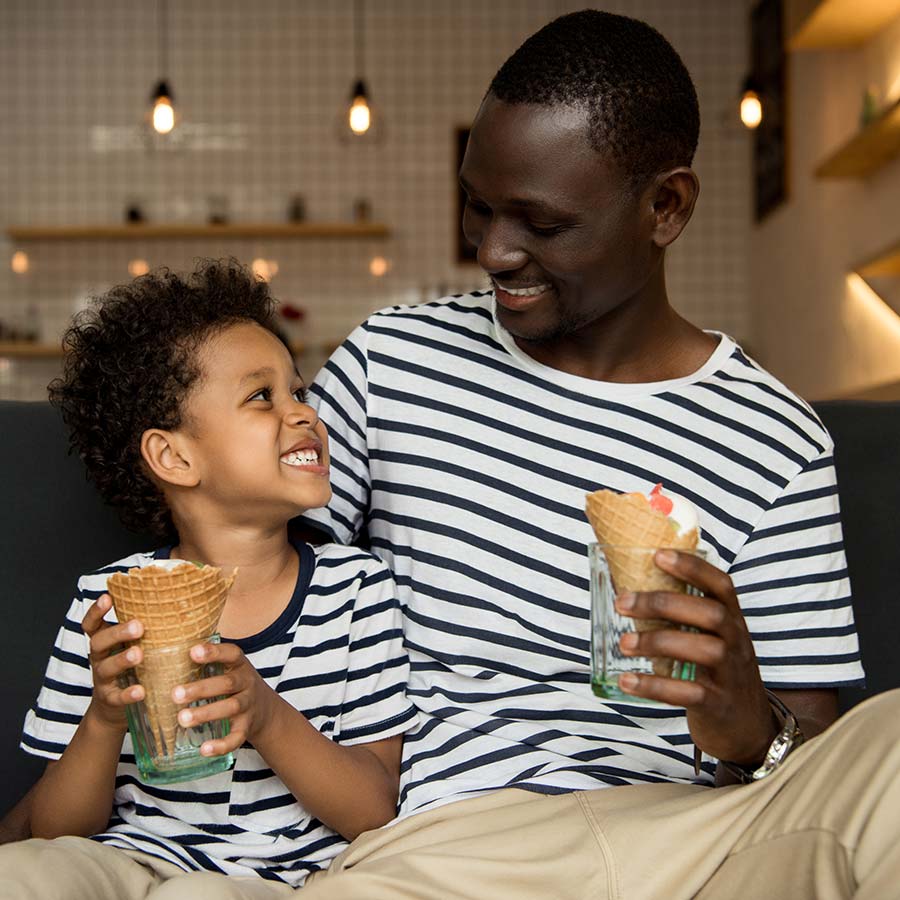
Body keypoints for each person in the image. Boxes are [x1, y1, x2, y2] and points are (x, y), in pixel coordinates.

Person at [296, 10, 900, 899]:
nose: (494, 250)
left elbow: (810, 758)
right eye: (478, 204)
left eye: (540, 222)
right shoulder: (392, 364)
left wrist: (746, 721)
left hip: (697, 843)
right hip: (453, 842)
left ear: (667, 207)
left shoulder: (779, 439)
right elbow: (259, 582)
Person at [0, 261, 417, 898]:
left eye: (298, 392)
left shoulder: (355, 590)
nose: (304, 415)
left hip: (274, 879)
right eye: (262, 397)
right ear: (174, 456)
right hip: (127, 858)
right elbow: (56, 829)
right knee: (22, 872)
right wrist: (105, 720)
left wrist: (267, 715)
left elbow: (372, 809)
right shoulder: (107, 603)